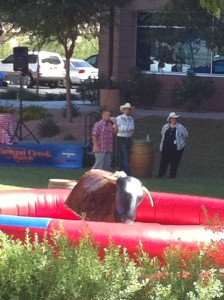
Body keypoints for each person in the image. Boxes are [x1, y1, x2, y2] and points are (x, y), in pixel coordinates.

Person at [157, 112, 188, 179]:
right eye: (173, 119)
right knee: (164, 161)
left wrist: (180, 141)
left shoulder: (180, 127)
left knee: (175, 162)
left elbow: (185, 135)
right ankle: (161, 174)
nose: (174, 120)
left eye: (175, 119)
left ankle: (172, 176)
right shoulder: (165, 126)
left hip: (176, 148)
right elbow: (162, 134)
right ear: (170, 119)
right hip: (166, 147)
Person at [115, 103, 135, 175]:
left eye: (129, 109)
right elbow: (120, 128)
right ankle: (127, 172)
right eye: (127, 109)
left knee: (125, 154)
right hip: (122, 137)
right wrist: (127, 129)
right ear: (124, 110)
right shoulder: (119, 118)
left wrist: (127, 129)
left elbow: (132, 129)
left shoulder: (131, 119)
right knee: (124, 155)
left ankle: (121, 170)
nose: (128, 111)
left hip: (128, 137)